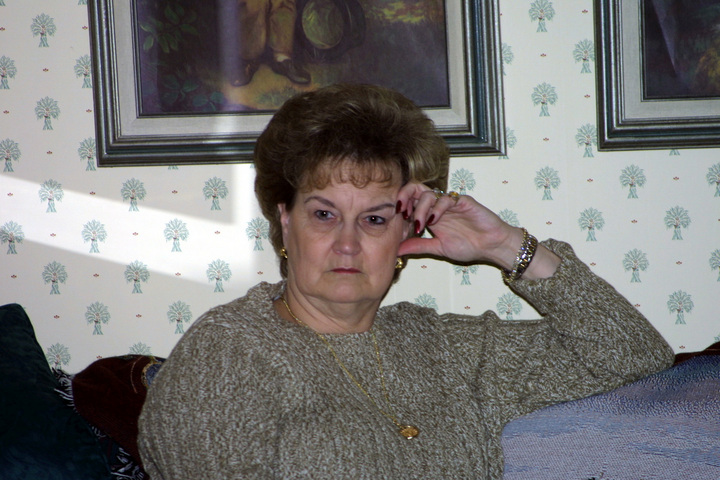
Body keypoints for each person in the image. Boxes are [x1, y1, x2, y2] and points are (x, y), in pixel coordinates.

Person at [138, 84, 674, 479]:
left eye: (374, 219)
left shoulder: (443, 348)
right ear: (285, 220)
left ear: (407, 231)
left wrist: (506, 247)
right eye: (324, 214)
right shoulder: (227, 356)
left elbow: (633, 355)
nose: (347, 244)